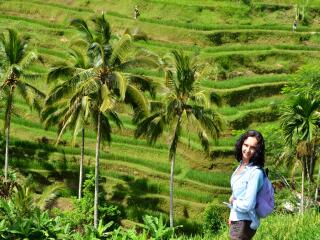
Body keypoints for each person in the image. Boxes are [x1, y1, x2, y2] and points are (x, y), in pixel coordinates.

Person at [228, 130, 265, 240]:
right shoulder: (240, 166)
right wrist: (232, 215)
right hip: (237, 220)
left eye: (252, 147)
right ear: (241, 144)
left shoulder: (255, 173)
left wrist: (233, 203)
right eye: (246, 145)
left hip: (244, 222)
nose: (248, 150)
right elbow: (238, 193)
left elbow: (248, 204)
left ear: (257, 151)